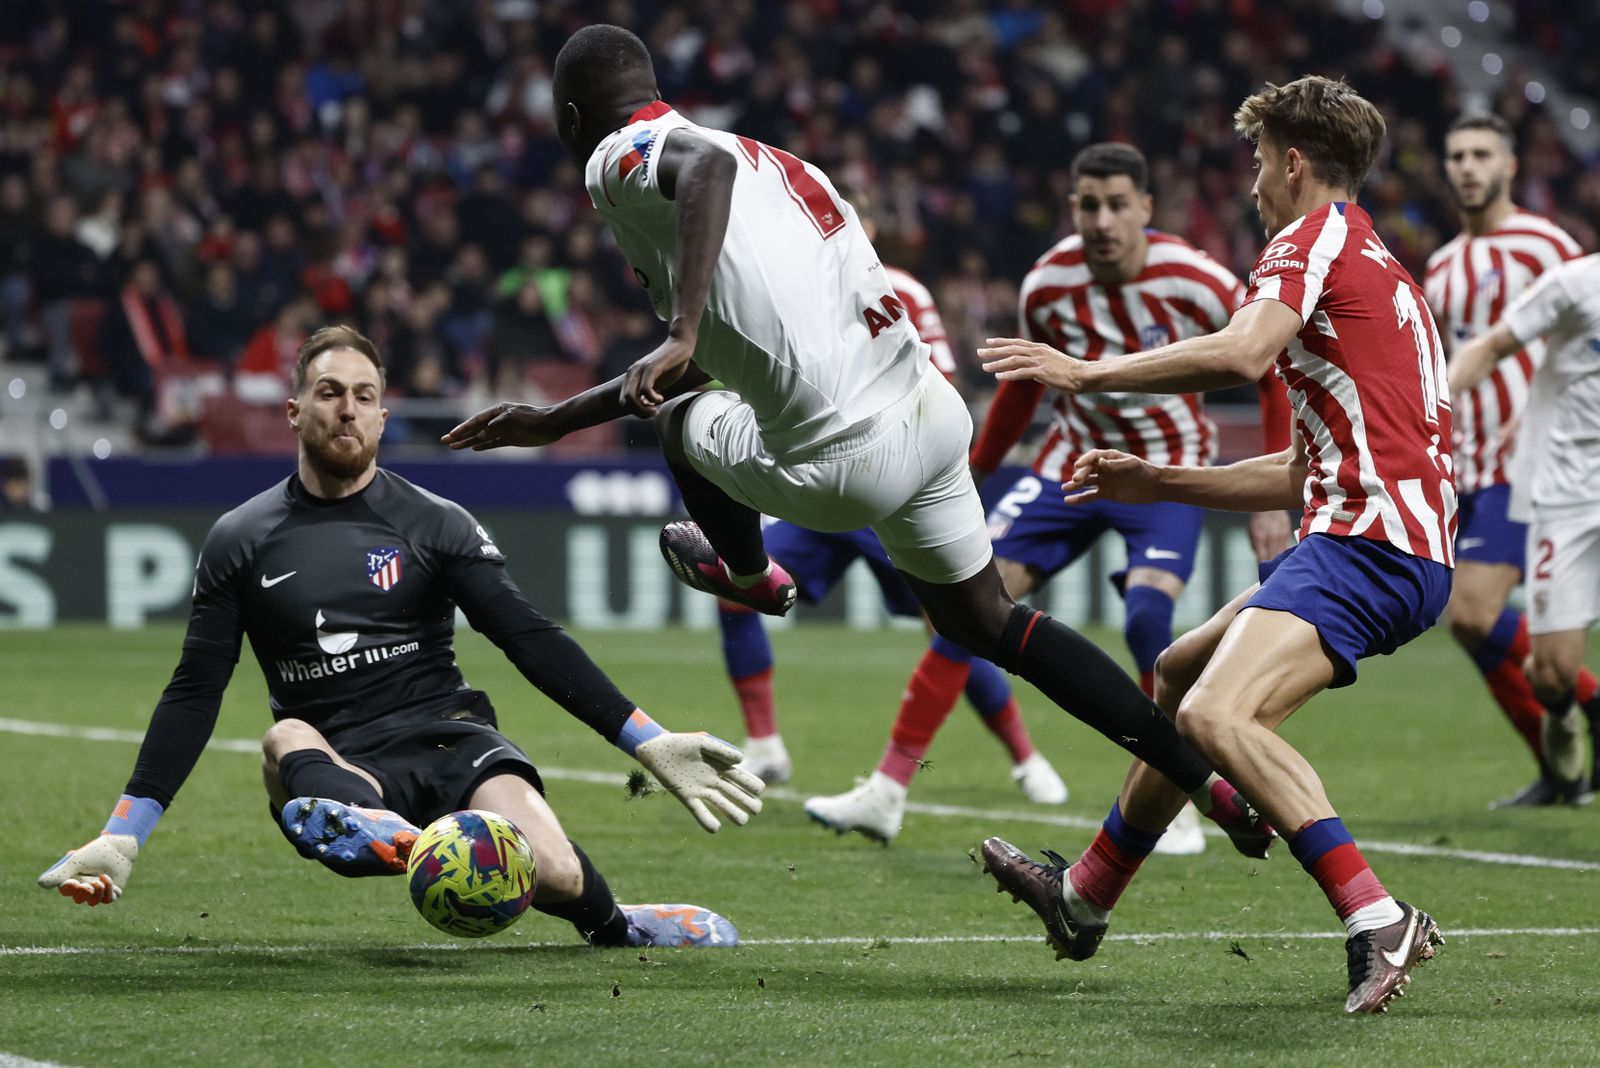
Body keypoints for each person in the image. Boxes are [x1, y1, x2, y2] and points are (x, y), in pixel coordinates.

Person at [443, 25, 1274, 863]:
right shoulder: (770, 162)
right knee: (991, 621)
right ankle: (1203, 779)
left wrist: (682, 328)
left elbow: (702, 189)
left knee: (675, 427)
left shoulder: (624, 154)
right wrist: (556, 419)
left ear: (571, 113)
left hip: (843, 463)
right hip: (931, 417)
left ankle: (748, 575)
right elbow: (740, 339)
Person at [38, 325, 761, 950]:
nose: (345, 408)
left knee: (560, 873)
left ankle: (612, 925)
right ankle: (381, 830)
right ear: (294, 412)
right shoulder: (241, 539)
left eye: (361, 395)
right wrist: (123, 833)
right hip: (337, 752)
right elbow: (195, 690)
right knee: (284, 740)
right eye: (327, 393)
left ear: (383, 416)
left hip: (450, 737)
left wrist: (647, 739)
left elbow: (527, 636)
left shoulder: (435, 522)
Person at [975, 75, 1454, 1014]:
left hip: (1371, 542)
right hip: (1380, 534)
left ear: (1292, 162)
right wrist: (1158, 481)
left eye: (1255, 162)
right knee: (1178, 679)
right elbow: (1297, 470)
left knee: (1213, 716)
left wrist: (1087, 374)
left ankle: (1375, 915)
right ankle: (1085, 897)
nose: (1250, 185)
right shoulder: (1379, 267)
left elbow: (1240, 353)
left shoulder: (1310, 239)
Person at [804, 143, 1292, 849]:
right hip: (1071, 466)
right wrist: (967, 474)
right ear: (1072, 209)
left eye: (1117, 204)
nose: (1102, 220)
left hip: (1165, 469)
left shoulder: (1198, 280)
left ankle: (1172, 800)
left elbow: (1270, 375)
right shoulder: (1048, 283)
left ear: (1146, 210)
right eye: (1088, 205)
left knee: (1149, 619)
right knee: (962, 611)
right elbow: (1021, 387)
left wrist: (1272, 497)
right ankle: (885, 791)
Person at [716, 184, 1064, 806]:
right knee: (739, 590)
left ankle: (1024, 755)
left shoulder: (903, 288)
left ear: (864, 224)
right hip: (820, 490)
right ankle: (765, 746)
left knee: (956, 624)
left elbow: (940, 384)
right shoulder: (777, 290)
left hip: (893, 489)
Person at [1423, 113, 1595, 807]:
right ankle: (1558, 771)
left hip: (1525, 461)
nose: (1467, 166)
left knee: (1470, 611)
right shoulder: (1437, 266)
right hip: (1460, 464)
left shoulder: (1546, 246)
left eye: (1481, 155)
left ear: (1510, 166)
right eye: (1456, 154)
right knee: (1465, 623)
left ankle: (1584, 705)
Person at [1448, 252, 1600, 798]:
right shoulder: (1576, 284)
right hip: (1568, 496)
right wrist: (1440, 407)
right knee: (1553, 671)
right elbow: (1488, 346)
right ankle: (1564, 712)